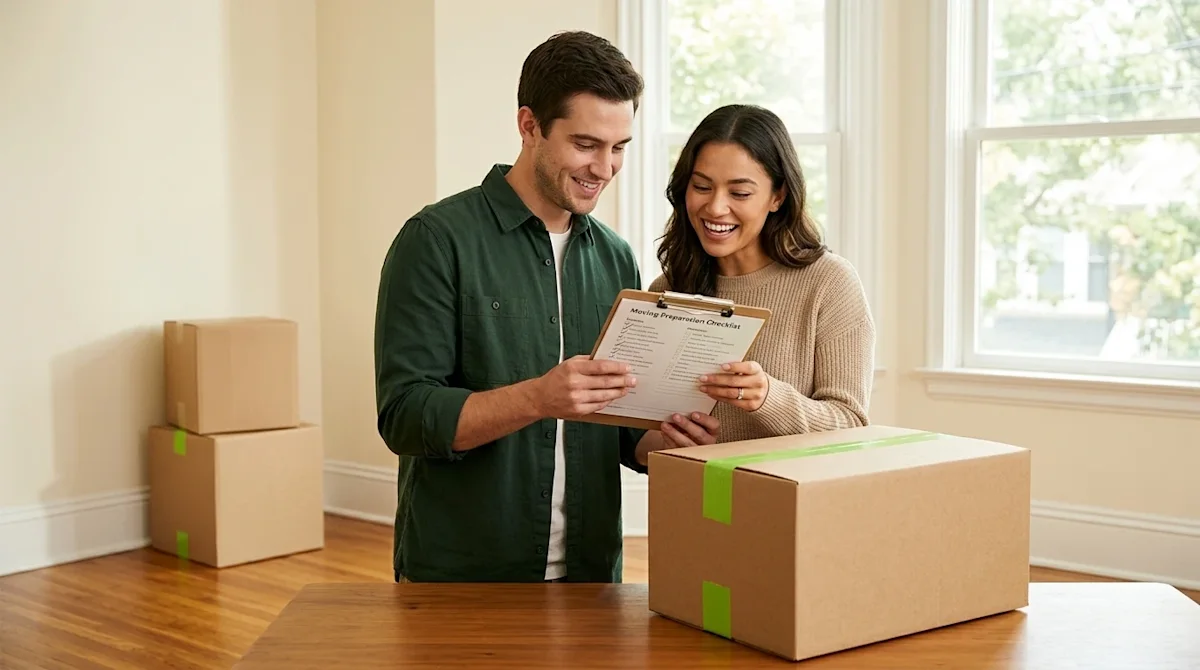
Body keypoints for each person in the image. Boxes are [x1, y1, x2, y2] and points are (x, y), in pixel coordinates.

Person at [373, 31, 719, 585]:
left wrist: (672, 441)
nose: (604, 168)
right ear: (529, 125)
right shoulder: (436, 240)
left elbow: (623, 432)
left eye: (619, 147)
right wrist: (537, 398)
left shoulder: (615, 258)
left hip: (591, 577)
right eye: (586, 144)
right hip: (463, 579)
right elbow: (406, 418)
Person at [650, 104, 876, 441]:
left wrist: (767, 397)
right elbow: (635, 439)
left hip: (790, 494)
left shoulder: (829, 283)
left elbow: (851, 425)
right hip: (692, 493)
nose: (715, 207)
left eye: (739, 193)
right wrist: (664, 442)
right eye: (701, 187)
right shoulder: (667, 291)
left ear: (778, 196)